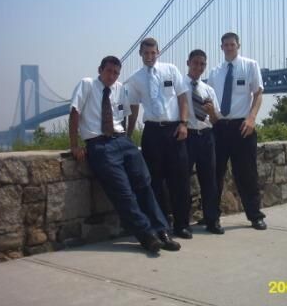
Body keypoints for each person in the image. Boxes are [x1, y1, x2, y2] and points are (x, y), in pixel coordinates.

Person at [68, 55, 181, 253]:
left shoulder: (120, 88)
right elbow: (75, 112)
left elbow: (127, 113)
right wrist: (74, 145)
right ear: (100, 70)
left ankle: (162, 231)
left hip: (123, 141)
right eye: (109, 71)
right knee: (123, 193)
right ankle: (147, 235)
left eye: (116, 73)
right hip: (99, 144)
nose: (112, 76)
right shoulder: (86, 84)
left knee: (145, 185)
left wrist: (128, 138)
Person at [125, 38, 193, 239]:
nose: (149, 57)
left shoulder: (171, 69)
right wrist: (128, 135)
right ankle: (163, 225)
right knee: (155, 182)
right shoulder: (135, 79)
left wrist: (183, 123)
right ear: (140, 54)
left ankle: (182, 225)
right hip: (152, 132)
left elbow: (182, 97)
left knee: (180, 180)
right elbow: (134, 108)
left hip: (174, 129)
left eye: (153, 53)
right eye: (146, 53)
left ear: (158, 52)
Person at [207, 32, 267, 230]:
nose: (229, 47)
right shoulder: (215, 72)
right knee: (215, 174)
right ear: (221, 47)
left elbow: (258, 94)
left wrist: (251, 119)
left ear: (238, 45)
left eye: (232, 44)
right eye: (226, 45)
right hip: (219, 128)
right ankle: (212, 217)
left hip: (243, 127)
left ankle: (255, 215)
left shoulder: (250, 65)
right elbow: (211, 103)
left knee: (247, 174)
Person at [184, 49, 224, 234]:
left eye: (202, 64)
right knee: (182, 181)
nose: (199, 67)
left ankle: (212, 220)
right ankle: (182, 222)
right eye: (195, 63)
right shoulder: (179, 86)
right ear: (188, 63)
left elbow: (216, 120)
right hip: (187, 137)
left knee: (210, 181)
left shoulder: (208, 89)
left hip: (206, 136)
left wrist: (211, 113)